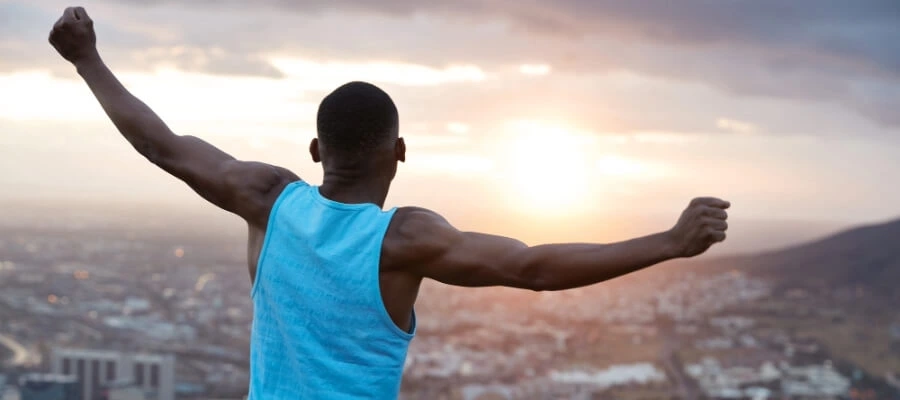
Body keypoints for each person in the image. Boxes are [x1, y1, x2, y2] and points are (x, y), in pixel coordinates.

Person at [49, 6, 729, 399]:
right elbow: (533, 268)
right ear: (399, 154)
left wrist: (87, 61)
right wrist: (669, 242)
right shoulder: (403, 241)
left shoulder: (266, 198)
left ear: (316, 151)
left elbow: (162, 145)